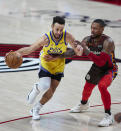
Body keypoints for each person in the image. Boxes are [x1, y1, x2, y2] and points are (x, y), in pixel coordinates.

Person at [15, 16, 83, 120]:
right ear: (52, 27)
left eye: (61, 29)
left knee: (51, 91)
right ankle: (36, 87)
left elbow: (76, 52)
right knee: (44, 85)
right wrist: (17, 53)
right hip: (46, 63)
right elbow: (29, 49)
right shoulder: (45, 38)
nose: (59, 32)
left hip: (59, 65)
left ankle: (36, 109)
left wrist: (79, 50)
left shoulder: (68, 37)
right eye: (57, 29)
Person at [55, 19, 118, 127]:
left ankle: (108, 116)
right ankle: (84, 104)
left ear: (102, 29)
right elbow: (73, 52)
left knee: (102, 86)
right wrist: (57, 55)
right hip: (97, 68)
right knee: (87, 87)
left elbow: (101, 61)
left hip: (109, 69)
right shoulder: (88, 39)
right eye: (91, 28)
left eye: (95, 28)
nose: (92, 30)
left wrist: (85, 49)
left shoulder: (108, 42)